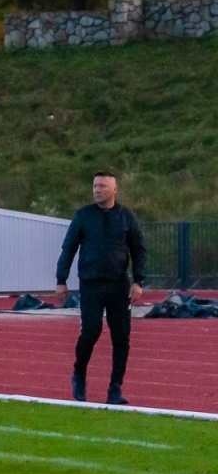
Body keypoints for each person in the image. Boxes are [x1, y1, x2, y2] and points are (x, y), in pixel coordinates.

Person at [55, 170, 147, 405]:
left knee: (121, 337)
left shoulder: (126, 216)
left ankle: (115, 388)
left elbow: (138, 250)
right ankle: (79, 374)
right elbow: (68, 248)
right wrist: (61, 280)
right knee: (91, 331)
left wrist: (139, 281)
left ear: (114, 189)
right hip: (91, 284)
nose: (97, 190)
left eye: (102, 186)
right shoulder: (83, 215)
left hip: (118, 285)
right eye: (95, 186)